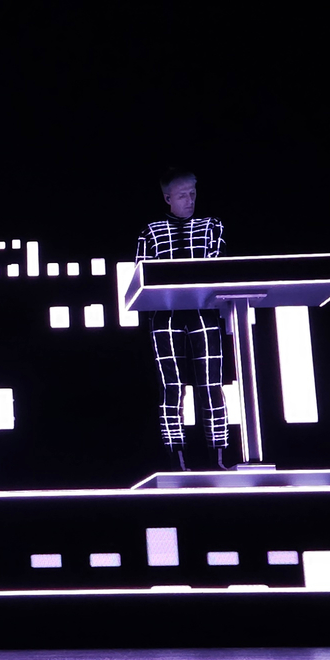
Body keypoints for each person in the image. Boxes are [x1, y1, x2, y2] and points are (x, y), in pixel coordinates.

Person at [136, 169, 228, 471]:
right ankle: (177, 461)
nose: (189, 200)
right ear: (167, 198)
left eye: (192, 193)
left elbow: (219, 267)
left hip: (204, 311)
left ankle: (218, 459)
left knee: (211, 384)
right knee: (172, 387)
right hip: (165, 314)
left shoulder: (211, 226)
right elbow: (140, 275)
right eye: (182, 195)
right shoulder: (151, 232)